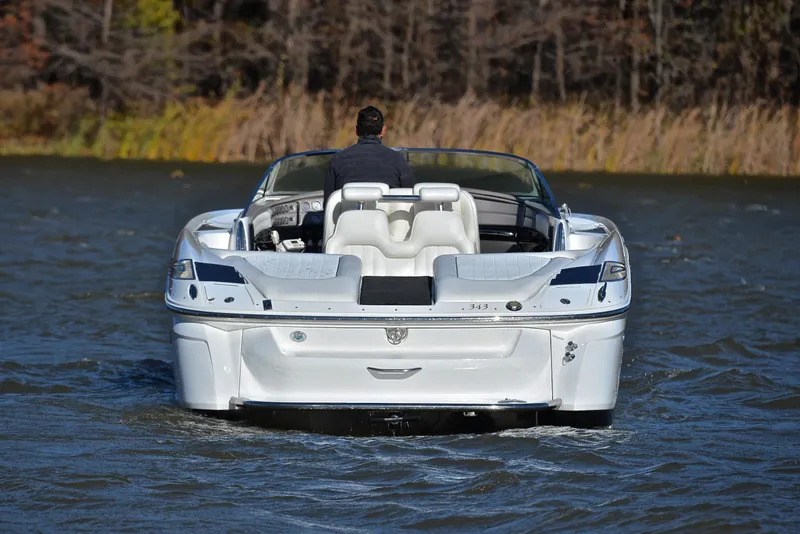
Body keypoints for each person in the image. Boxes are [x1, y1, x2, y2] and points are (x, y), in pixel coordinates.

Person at [323, 106, 414, 207]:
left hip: (349, 221)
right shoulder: (398, 160)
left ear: (356, 130)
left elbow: (328, 204)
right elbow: (410, 201)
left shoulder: (338, 160)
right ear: (383, 130)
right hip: (387, 221)